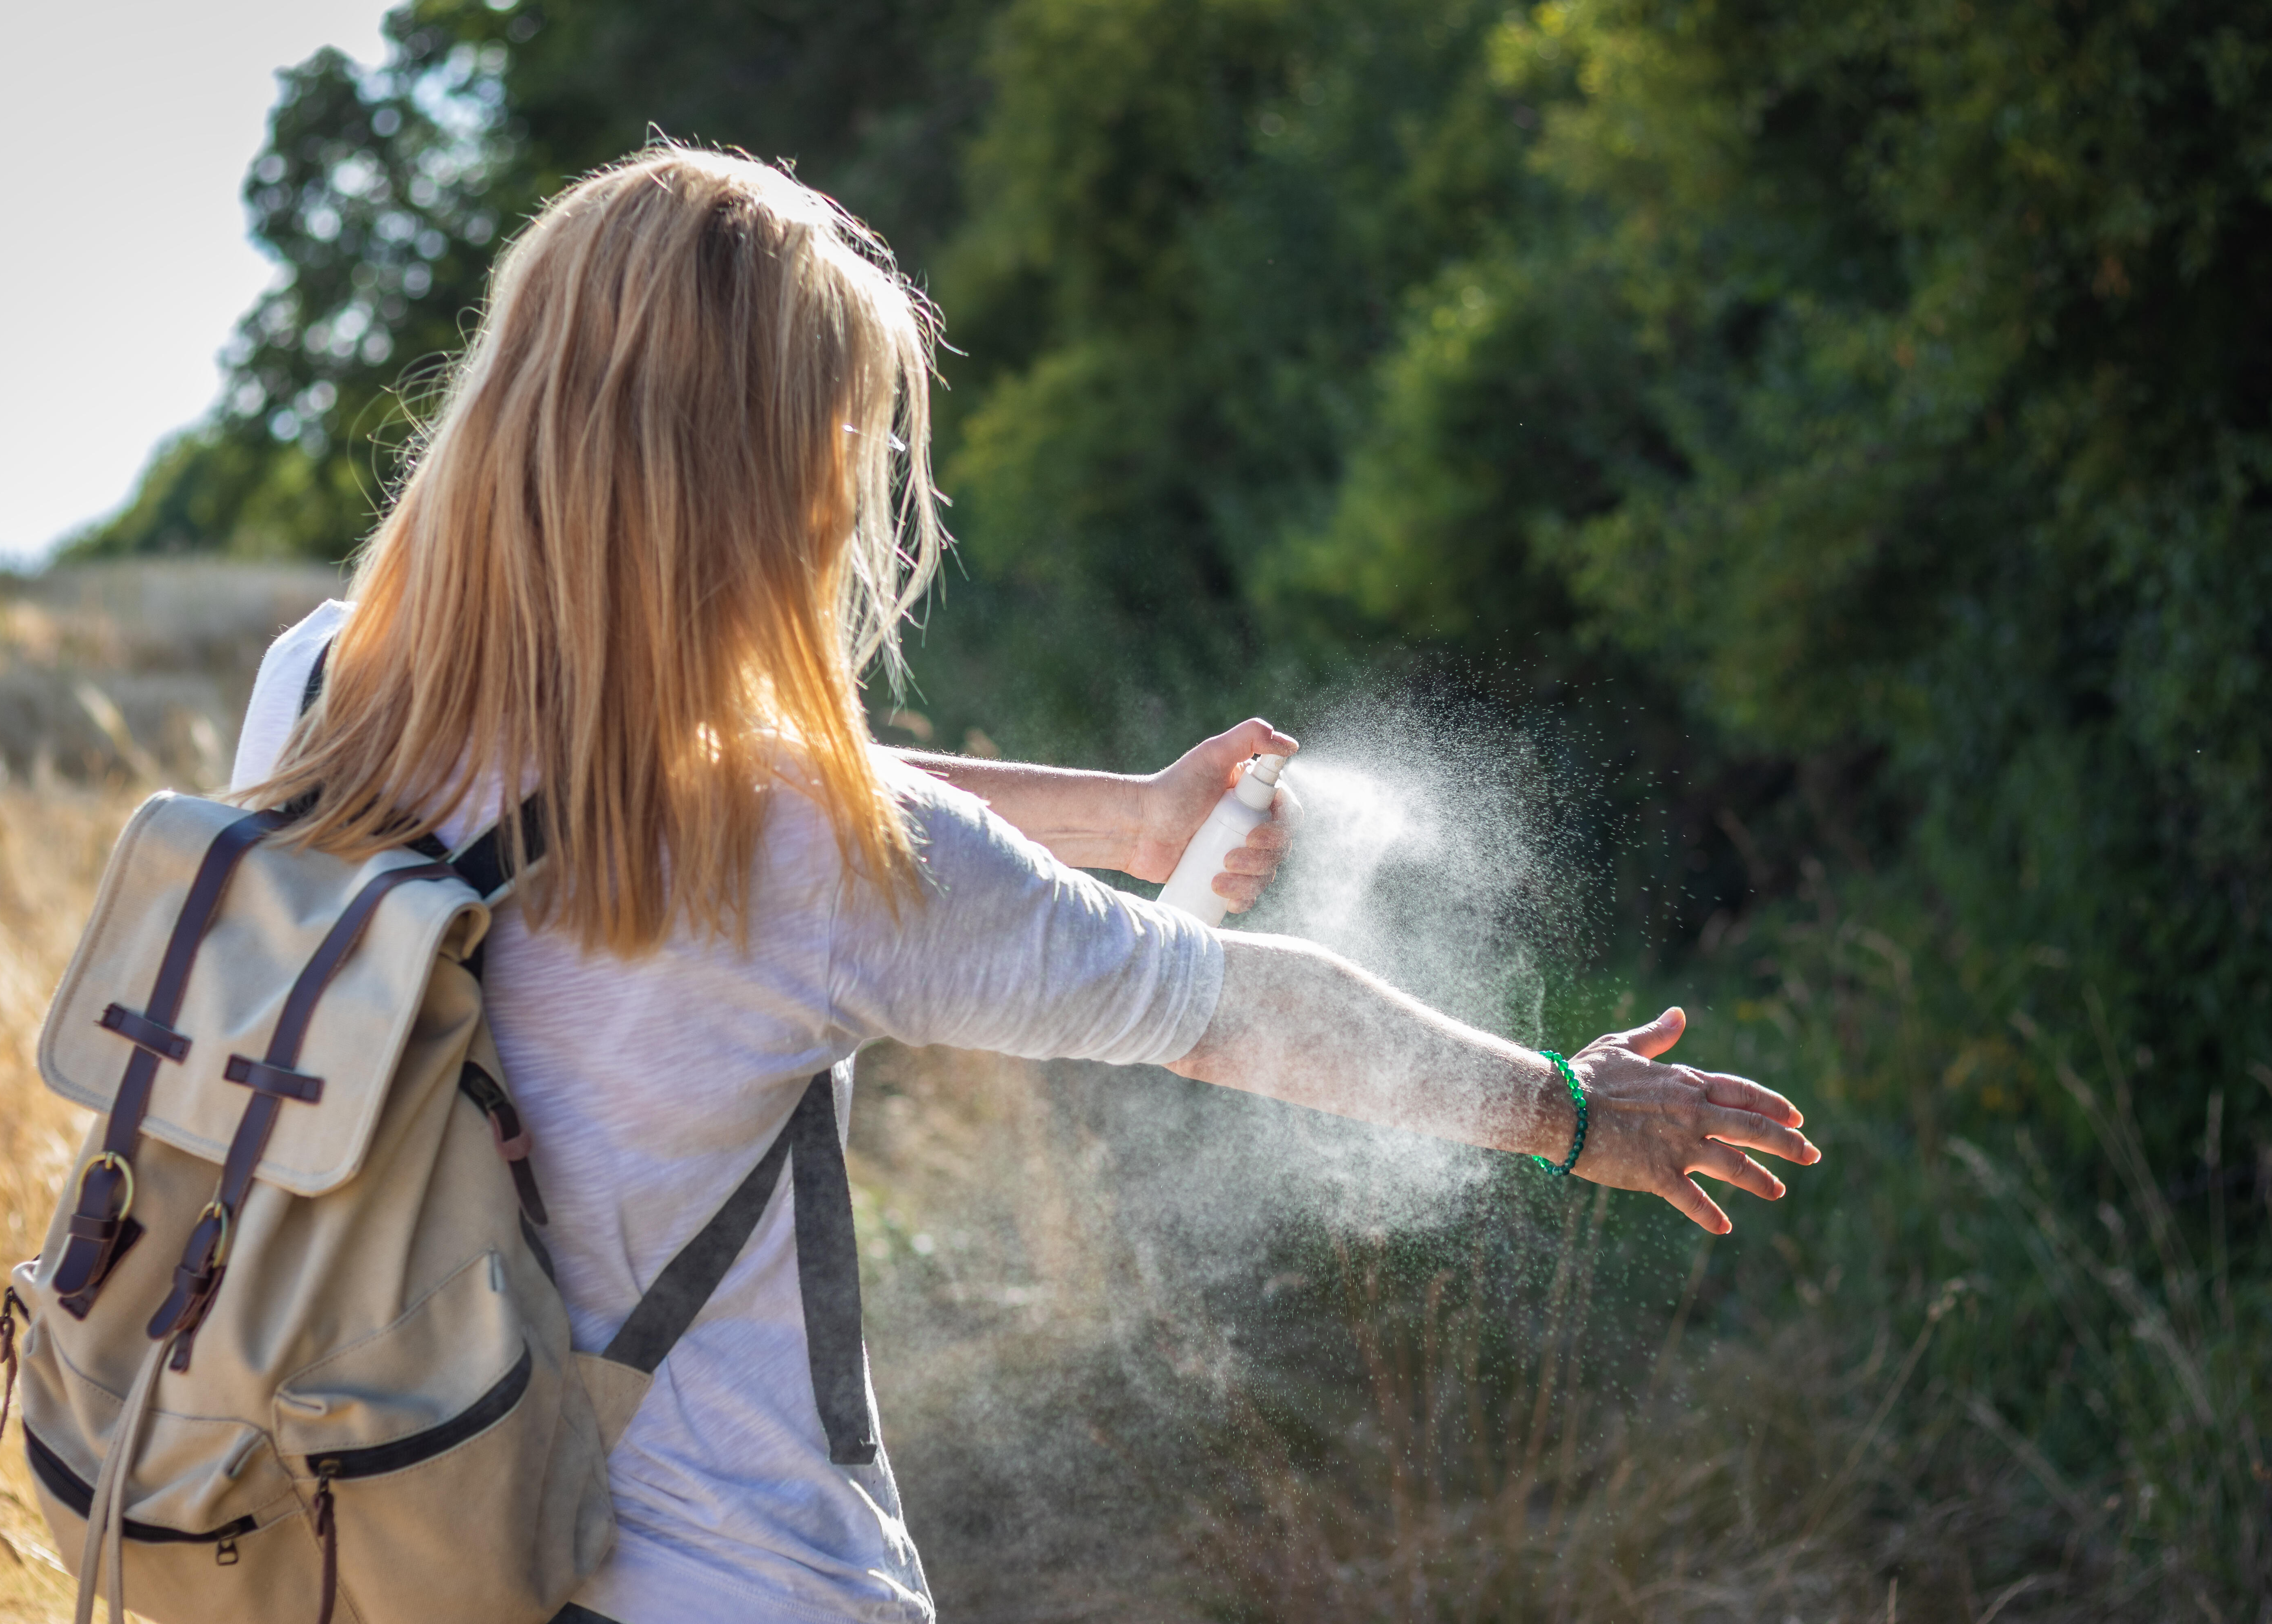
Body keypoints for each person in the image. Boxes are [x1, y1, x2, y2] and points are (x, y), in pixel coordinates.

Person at [231, 145, 1818, 1624]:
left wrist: (1131, 819)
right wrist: (1574, 1112)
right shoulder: (805, 846)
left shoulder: (323, 685)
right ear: (772, 466)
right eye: (844, 428)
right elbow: (1233, 1008)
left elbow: (685, 781)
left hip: (377, 1552)